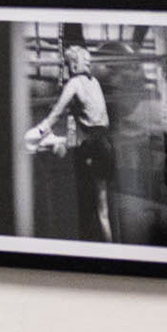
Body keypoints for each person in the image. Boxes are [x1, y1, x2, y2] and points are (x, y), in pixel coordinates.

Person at [23, 40, 116, 243]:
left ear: (72, 66)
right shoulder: (95, 82)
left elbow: (56, 113)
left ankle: (84, 245)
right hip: (107, 145)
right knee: (103, 212)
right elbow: (93, 116)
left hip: (93, 148)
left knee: (84, 204)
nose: (88, 61)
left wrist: (38, 132)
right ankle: (111, 249)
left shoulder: (74, 84)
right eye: (86, 59)